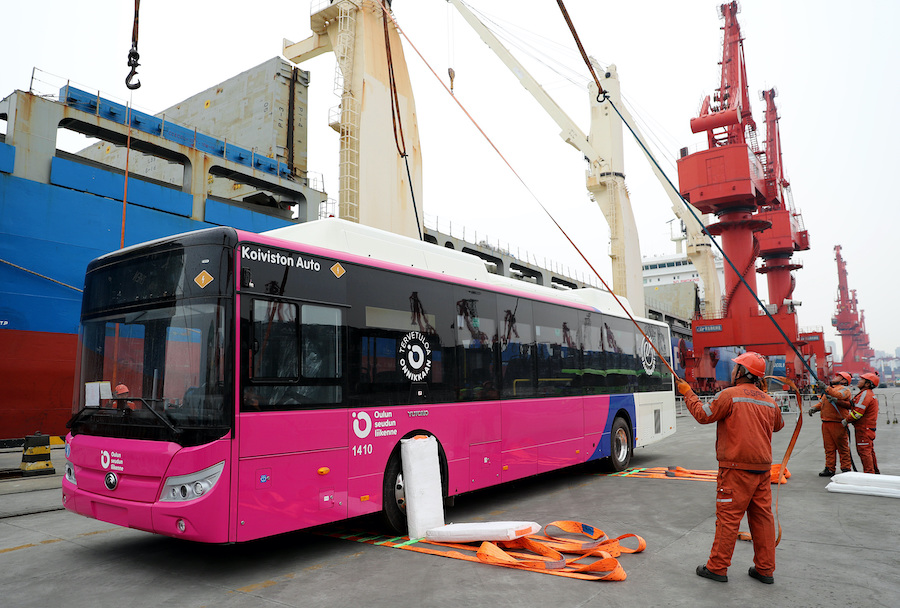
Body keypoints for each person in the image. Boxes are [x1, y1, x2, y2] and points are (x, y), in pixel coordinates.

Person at [676, 352, 784, 585]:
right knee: (763, 519)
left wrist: (687, 392)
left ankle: (717, 568)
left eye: (736, 368)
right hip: (763, 472)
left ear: (742, 373)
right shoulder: (768, 401)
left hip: (735, 471)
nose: (732, 371)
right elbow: (778, 425)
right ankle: (765, 570)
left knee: (728, 518)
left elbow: (703, 416)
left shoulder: (729, 396)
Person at [807, 372, 853, 476]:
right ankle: (829, 468)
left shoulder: (844, 389)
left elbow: (839, 396)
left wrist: (826, 388)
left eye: (838, 376)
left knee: (842, 447)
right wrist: (815, 408)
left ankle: (846, 468)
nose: (835, 377)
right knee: (829, 448)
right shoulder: (830, 390)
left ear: (844, 381)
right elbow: (823, 402)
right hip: (826, 422)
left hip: (838, 423)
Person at [846, 372, 880, 474]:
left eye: (861, 380)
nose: (859, 381)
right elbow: (854, 406)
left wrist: (846, 420)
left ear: (867, 384)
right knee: (869, 451)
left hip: (864, 429)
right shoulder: (865, 393)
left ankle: (869, 474)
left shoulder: (865, 394)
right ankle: (874, 473)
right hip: (867, 428)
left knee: (864, 452)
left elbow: (857, 413)